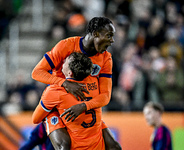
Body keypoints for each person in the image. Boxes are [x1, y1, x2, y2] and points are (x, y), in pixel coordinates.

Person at [32, 17, 121, 150]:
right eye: (109, 36)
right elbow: (37, 72)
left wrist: (84, 106)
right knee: (65, 146)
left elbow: (105, 96)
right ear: (95, 33)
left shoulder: (106, 58)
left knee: (114, 147)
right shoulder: (66, 46)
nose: (112, 40)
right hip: (58, 104)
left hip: (84, 107)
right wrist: (64, 83)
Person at [33, 52, 108, 149]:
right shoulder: (95, 83)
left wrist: (53, 113)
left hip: (75, 146)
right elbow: (105, 97)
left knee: (49, 117)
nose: (63, 62)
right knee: (114, 145)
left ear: (70, 73)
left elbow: (35, 119)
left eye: (65, 62)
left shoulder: (55, 91)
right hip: (96, 145)